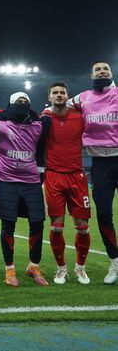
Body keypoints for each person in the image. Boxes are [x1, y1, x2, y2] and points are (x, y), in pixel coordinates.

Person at [0, 92, 51, 286]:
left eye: (25, 102)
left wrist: (41, 174)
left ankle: (34, 267)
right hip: (5, 180)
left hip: (31, 180)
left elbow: (41, 149)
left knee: (38, 223)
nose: (22, 104)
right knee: (8, 225)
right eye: (18, 102)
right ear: (10, 105)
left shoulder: (38, 126)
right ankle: (10, 270)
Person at [69, 60, 118, 283]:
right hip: (100, 163)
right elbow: (58, 106)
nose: (102, 71)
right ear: (92, 75)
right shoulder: (83, 97)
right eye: (97, 69)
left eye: (105, 69)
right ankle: (115, 262)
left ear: (111, 73)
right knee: (104, 214)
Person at [42, 82, 91, 284]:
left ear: (67, 96)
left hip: (77, 176)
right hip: (54, 176)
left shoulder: (79, 116)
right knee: (56, 227)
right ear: (50, 97)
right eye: (55, 93)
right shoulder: (44, 119)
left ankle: (80, 268)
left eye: (62, 92)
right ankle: (61, 269)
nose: (59, 95)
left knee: (83, 226)